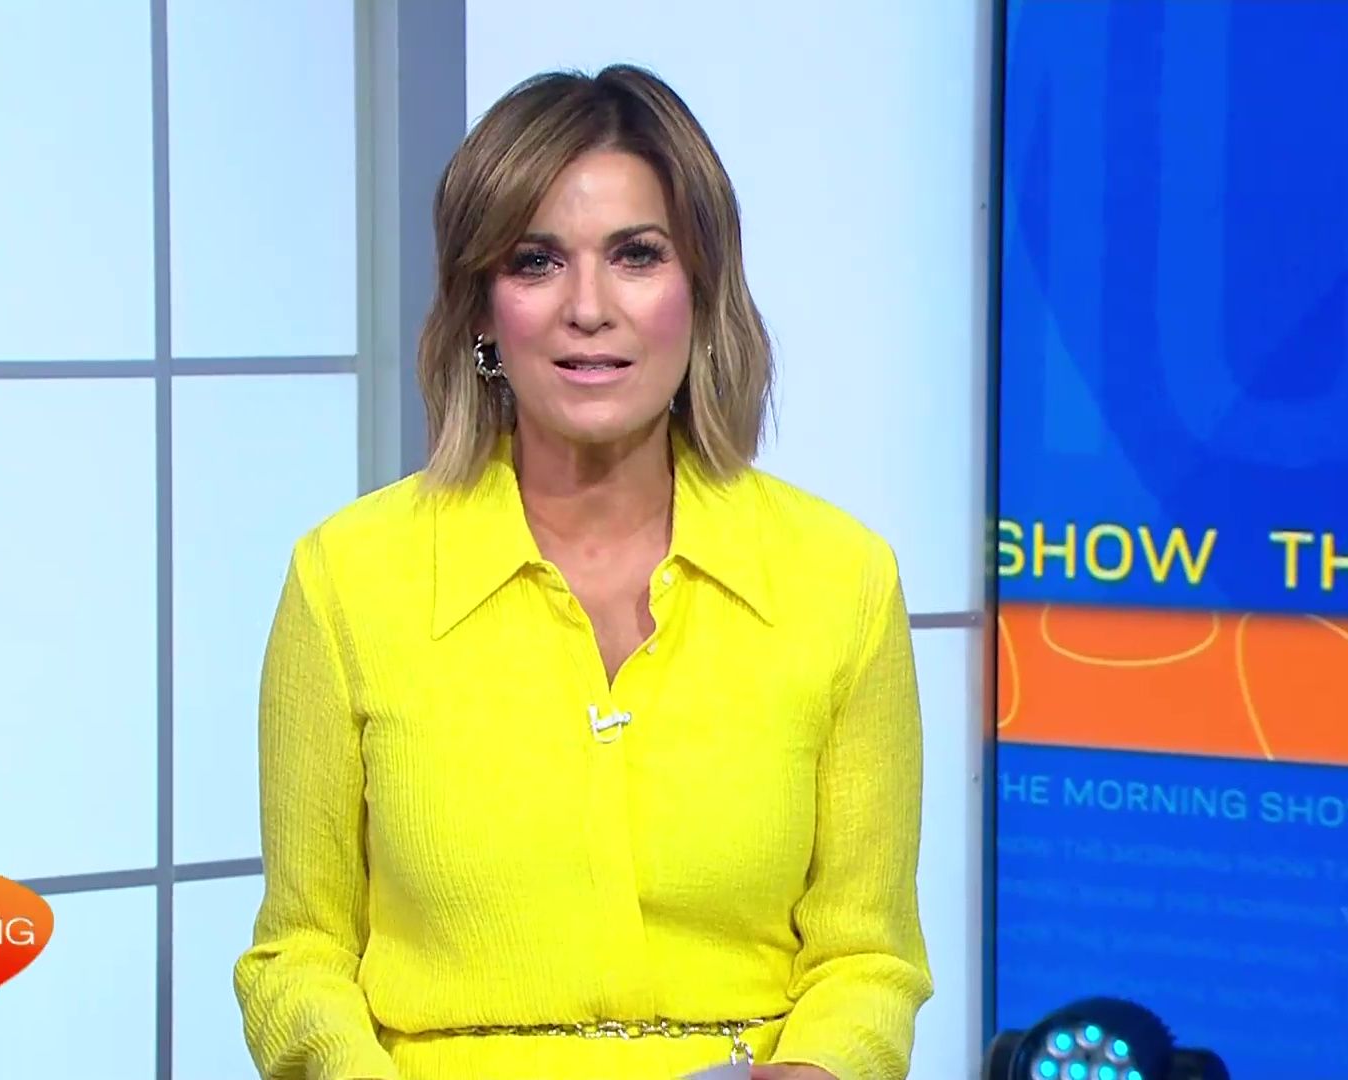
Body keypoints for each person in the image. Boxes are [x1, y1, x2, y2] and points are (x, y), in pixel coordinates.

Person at [233, 63, 932, 1080]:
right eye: (536, 261)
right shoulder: (348, 579)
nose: (588, 308)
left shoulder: (840, 581)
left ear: (702, 289)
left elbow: (868, 958)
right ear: (481, 309)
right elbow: (299, 956)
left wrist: (823, 1067)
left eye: (637, 255)